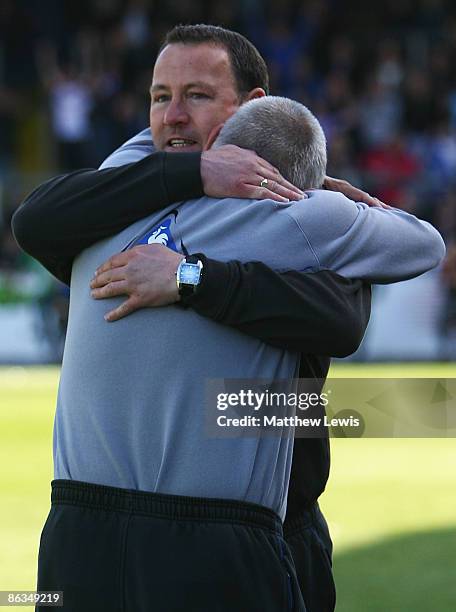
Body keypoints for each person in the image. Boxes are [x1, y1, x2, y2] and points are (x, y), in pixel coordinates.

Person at [13, 25, 376, 612]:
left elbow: (343, 319)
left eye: (198, 96)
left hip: (268, 527)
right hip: (100, 530)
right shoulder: (123, 201)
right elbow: (35, 220)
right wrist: (192, 173)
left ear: (254, 108)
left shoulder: (301, 215)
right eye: (160, 97)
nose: (173, 115)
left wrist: (189, 279)